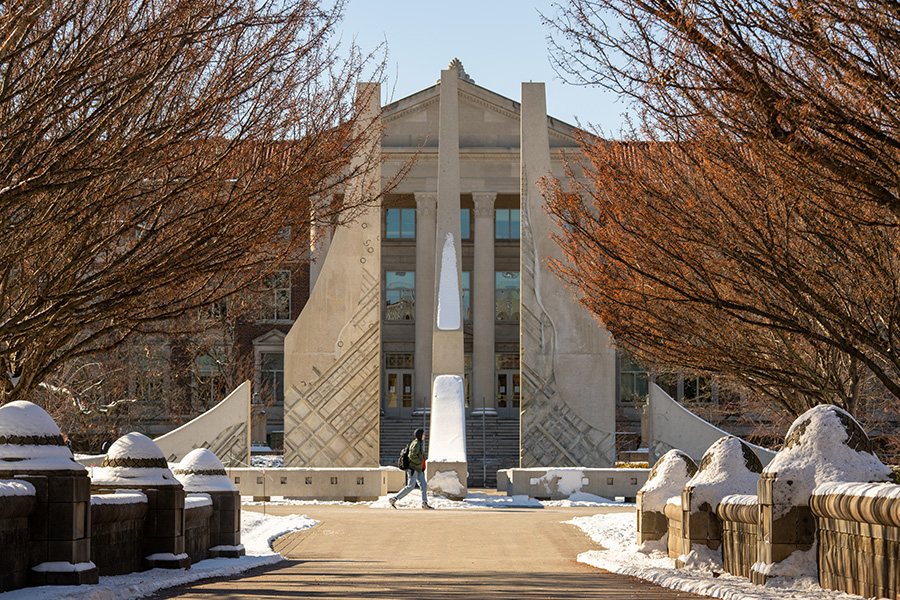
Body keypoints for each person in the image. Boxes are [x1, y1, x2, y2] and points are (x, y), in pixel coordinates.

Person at [390, 428, 432, 509]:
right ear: (419, 435)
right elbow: (412, 455)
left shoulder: (418, 443)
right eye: (423, 434)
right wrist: (419, 463)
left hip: (418, 469)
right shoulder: (416, 443)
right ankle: (394, 499)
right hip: (414, 468)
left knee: (423, 485)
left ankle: (424, 503)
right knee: (410, 486)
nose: (424, 436)